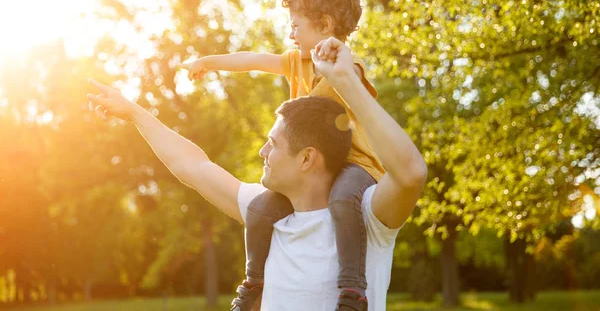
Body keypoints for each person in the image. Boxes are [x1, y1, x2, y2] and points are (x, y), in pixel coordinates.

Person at [87, 38, 427, 311]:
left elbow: (411, 173)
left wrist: (345, 81)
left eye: (273, 144)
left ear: (307, 158)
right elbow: (191, 165)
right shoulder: (267, 213)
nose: (262, 153)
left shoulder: (367, 216)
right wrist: (133, 112)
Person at [179, 0, 385, 310]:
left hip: (354, 165)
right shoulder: (298, 62)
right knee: (260, 209)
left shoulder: (348, 66)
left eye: (296, 25)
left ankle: (352, 290)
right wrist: (210, 62)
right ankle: (254, 284)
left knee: (345, 200)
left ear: (324, 24)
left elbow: (314, 110)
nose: (290, 33)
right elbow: (255, 59)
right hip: (312, 167)